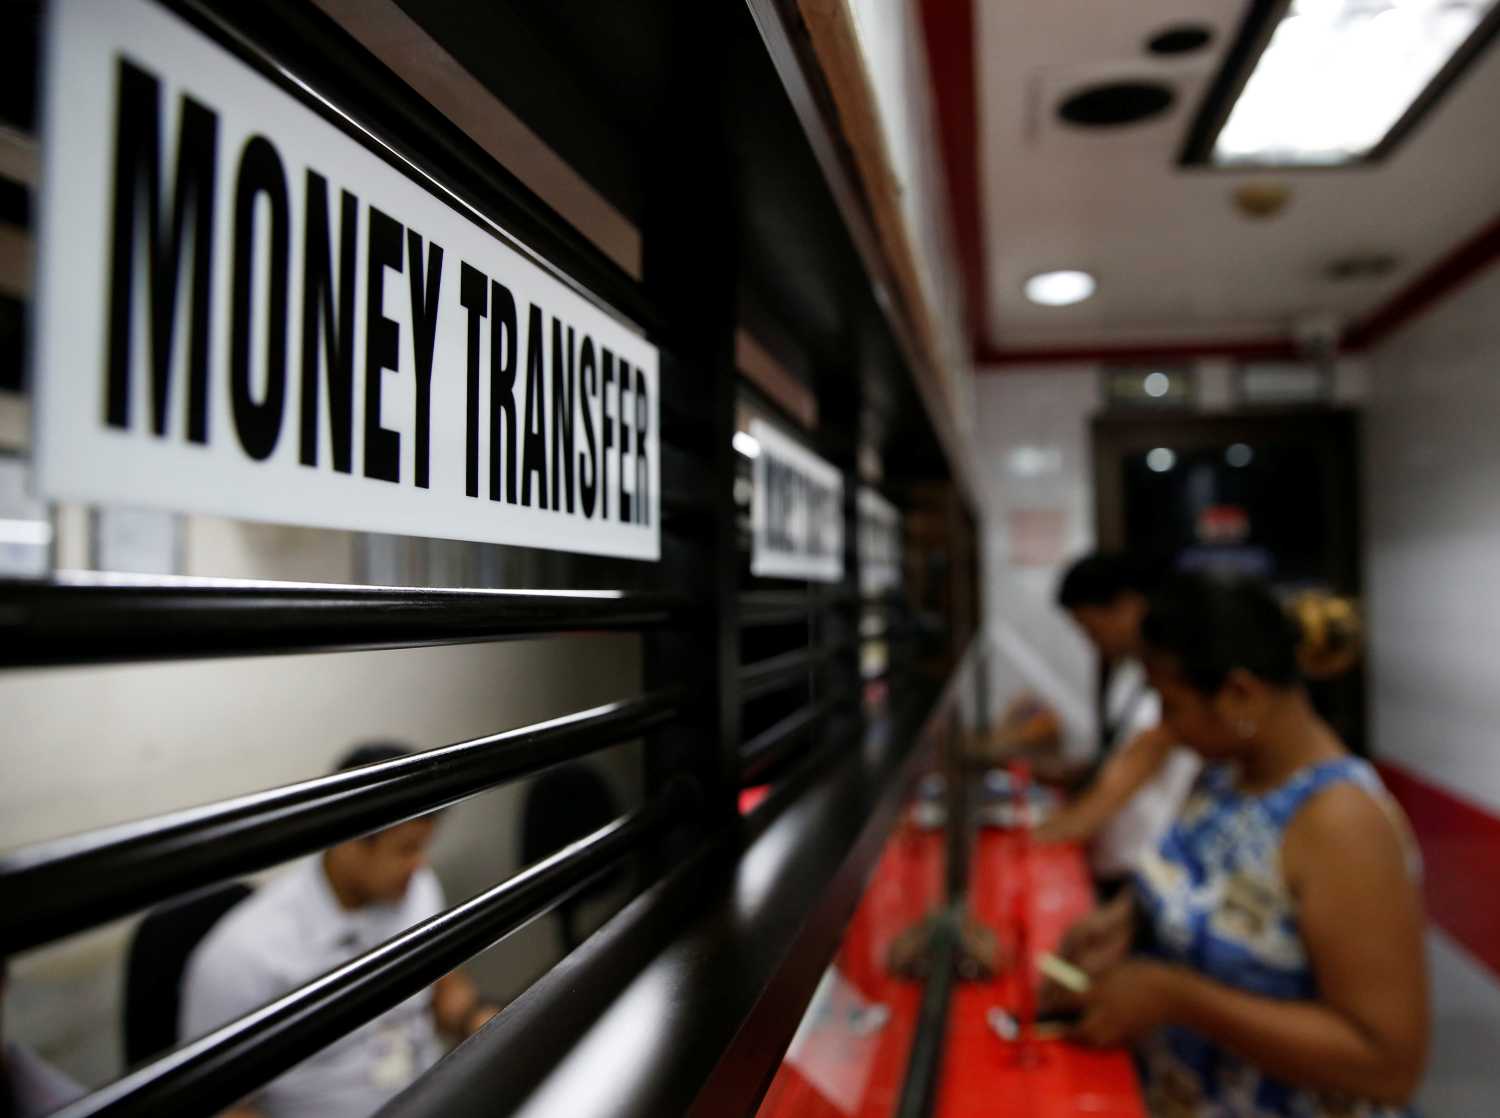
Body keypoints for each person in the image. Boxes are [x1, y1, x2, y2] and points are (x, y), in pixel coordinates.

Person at [1055, 575, 1427, 1116]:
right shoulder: (1224, 779)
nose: (1165, 728)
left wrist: (1177, 998)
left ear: (1240, 695)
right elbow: (1207, 885)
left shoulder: (1341, 824)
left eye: (1170, 703)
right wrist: (1129, 920)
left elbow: (1388, 1063)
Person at [180, 743, 497, 1118]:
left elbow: (444, 982)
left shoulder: (416, 888)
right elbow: (221, 1108)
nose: (419, 865)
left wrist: (478, 1021)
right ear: (350, 839)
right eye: (407, 849)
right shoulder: (241, 955)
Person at [1032, 553, 1201, 890]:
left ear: (1129, 607)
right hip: (1117, 862)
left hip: (1147, 875)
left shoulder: (1177, 683)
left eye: (1092, 628)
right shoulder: (1128, 676)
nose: (1090, 641)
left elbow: (1140, 759)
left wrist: (1046, 833)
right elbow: (1120, 757)